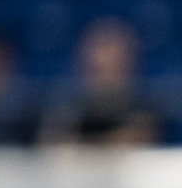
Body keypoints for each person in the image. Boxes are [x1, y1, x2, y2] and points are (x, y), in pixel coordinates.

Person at [40, 17, 159, 146]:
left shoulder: (143, 108)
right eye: (98, 70)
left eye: (113, 68)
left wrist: (81, 145)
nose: (105, 77)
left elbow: (135, 140)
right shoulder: (67, 106)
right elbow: (52, 143)